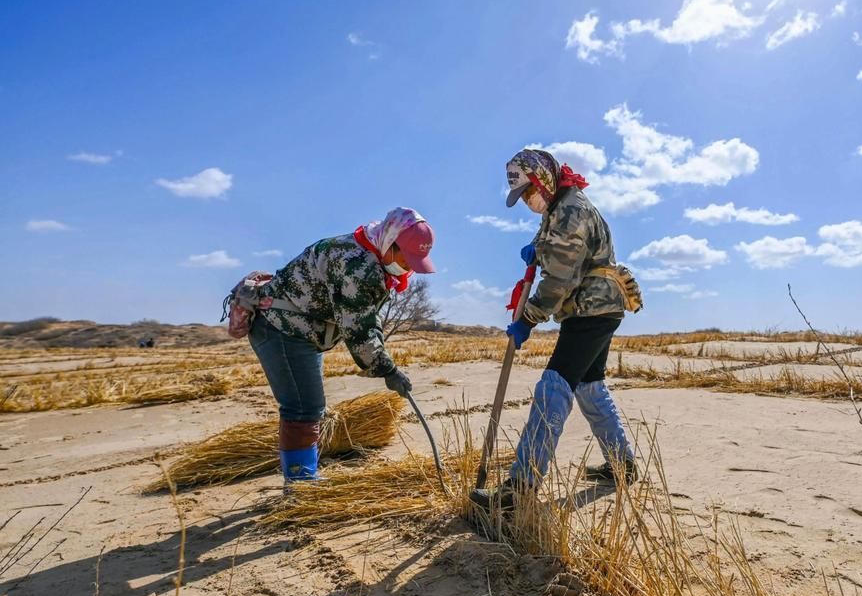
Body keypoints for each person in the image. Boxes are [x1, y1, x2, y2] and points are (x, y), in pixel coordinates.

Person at [470, 149, 640, 511]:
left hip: (592, 310)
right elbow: (558, 253)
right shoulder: (560, 206)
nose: (528, 201)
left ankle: (519, 489)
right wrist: (539, 247)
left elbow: (559, 281)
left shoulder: (569, 211)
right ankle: (622, 466)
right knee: (589, 387)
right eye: (523, 196)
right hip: (599, 308)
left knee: (553, 386)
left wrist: (527, 319)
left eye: (529, 192)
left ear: (543, 180)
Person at [250, 207, 435, 487]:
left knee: (310, 407)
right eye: (406, 259)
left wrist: (384, 362)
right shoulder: (357, 266)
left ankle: (302, 475)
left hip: (300, 331)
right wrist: (388, 370)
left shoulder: (372, 257)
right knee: (304, 408)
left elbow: (369, 321)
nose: (408, 268)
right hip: (281, 329)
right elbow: (359, 331)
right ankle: (301, 484)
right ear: (390, 242)